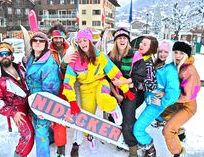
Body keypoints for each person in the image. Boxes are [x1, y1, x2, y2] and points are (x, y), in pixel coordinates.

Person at [62, 28, 135, 157]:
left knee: (104, 100)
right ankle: (90, 138)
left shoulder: (100, 56)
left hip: (101, 83)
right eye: (80, 41)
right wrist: (72, 101)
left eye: (85, 40)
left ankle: (114, 109)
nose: (83, 43)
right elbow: (68, 82)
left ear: (90, 41)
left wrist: (126, 89)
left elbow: (113, 73)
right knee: (85, 118)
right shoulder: (74, 59)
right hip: (86, 89)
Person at [133, 40, 181, 157]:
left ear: (170, 53)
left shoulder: (170, 69)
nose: (162, 54)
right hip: (150, 102)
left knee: (138, 130)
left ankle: (150, 149)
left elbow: (174, 92)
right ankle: (167, 123)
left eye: (166, 52)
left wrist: (162, 101)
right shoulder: (157, 64)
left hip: (156, 105)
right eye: (160, 51)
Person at [0, 42, 34, 157]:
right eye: (1, 54)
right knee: (28, 135)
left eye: (7, 53)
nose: (4, 56)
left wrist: (27, 62)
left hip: (31, 103)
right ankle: (18, 155)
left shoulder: (19, 67)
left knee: (44, 124)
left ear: (11, 54)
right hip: (17, 110)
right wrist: (13, 113)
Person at [108, 28, 147, 157]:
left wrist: (122, 84)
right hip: (115, 91)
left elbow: (139, 76)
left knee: (127, 119)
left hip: (131, 91)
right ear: (115, 41)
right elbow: (107, 78)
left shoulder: (135, 56)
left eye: (124, 38)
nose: (122, 40)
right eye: (119, 38)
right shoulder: (110, 56)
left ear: (128, 41)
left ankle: (132, 147)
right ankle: (118, 139)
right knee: (113, 117)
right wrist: (116, 94)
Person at [25, 32, 60, 157]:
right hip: (32, 102)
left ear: (46, 44)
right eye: (35, 40)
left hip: (42, 103)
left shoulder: (49, 63)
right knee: (40, 130)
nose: (38, 42)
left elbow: (51, 89)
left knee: (40, 134)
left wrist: (45, 109)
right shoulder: (31, 58)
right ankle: (51, 138)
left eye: (41, 40)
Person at [163, 41, 201, 157]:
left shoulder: (189, 70)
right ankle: (179, 132)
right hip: (178, 103)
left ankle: (178, 153)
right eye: (176, 52)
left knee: (167, 130)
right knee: (159, 112)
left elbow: (190, 94)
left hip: (187, 106)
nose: (178, 56)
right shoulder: (178, 66)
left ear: (186, 55)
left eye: (181, 53)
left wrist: (167, 97)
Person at [48, 24, 77, 157]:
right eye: (55, 38)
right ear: (52, 38)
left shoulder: (71, 49)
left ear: (64, 37)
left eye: (60, 37)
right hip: (52, 88)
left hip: (67, 86)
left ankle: (61, 146)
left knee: (64, 115)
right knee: (57, 117)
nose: (58, 40)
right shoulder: (47, 50)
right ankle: (59, 145)